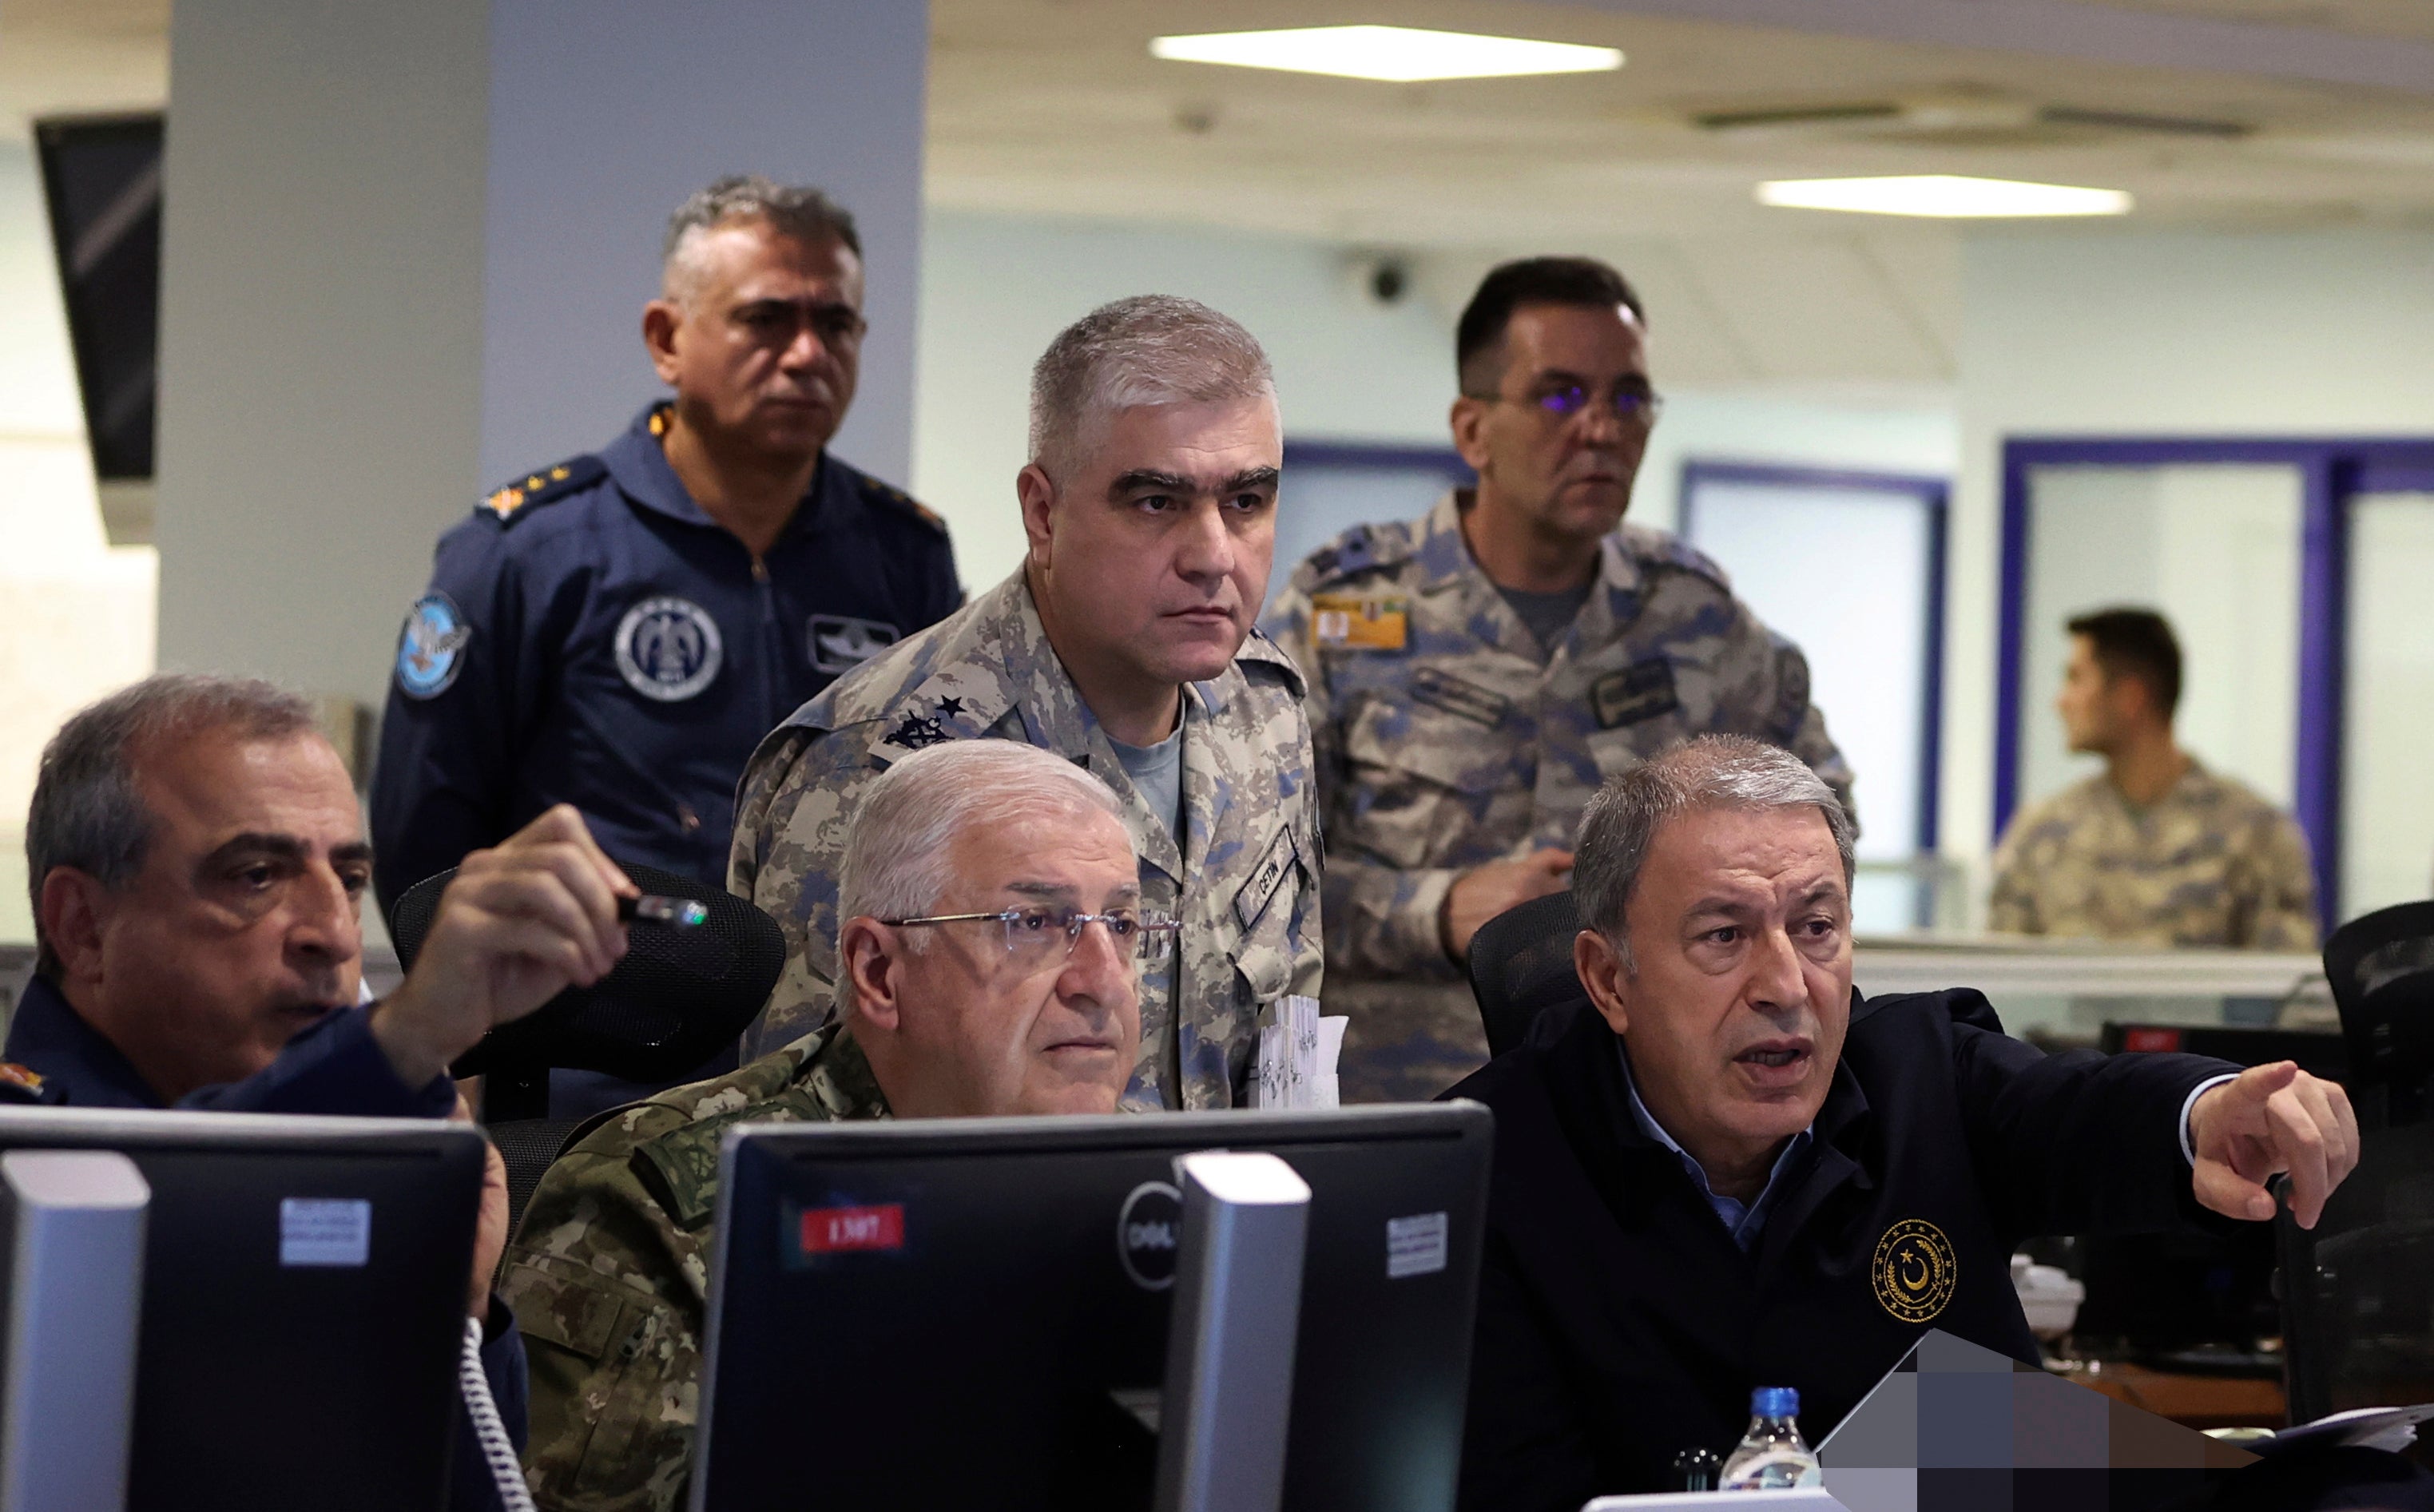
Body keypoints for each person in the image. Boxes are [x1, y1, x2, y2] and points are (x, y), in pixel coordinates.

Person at [1451, 736, 2357, 1510]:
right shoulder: (1490, 1166)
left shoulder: (1917, 1071)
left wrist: (2206, 1114)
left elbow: (2078, 1110)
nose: (1784, 985)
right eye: (1722, 936)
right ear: (1608, 979)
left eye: (1816, 928)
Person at [12, 673, 645, 1512]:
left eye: (347, 880)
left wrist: (455, 1309)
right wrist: (411, 1034)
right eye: (255, 877)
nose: (335, 935)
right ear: (83, 927)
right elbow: (149, 1216)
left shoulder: (368, 1159)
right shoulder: (27, 1161)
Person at [503, 740, 1153, 1510]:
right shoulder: (670, 1210)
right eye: (1034, 923)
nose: (1104, 982)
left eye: (1122, 924)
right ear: (879, 971)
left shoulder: (1162, 1185)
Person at [1264, 257, 1853, 1103]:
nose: (1600, 429)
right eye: (1557, 396)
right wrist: (1440, 908)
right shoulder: (1346, 609)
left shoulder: (1695, 619)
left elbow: (1823, 824)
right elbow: (1259, 877)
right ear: (1472, 430)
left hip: (1635, 1116)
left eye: (1627, 399)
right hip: (1412, 1095)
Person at [730, 295, 1321, 1109]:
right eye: (1157, 503)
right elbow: (799, 1132)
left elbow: (1288, 1043)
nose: (1213, 555)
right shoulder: (872, 761)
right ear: (1042, 513)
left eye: (1245, 503)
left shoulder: (1269, 709)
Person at [371, 174, 961, 914]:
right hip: (595, 1014)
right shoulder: (529, 550)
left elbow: (941, 805)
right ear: (666, 339)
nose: (808, 353)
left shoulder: (904, 555)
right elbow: (422, 847)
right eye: (767, 319)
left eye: (836, 324)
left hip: (828, 1018)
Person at [1991, 607, 2317, 949]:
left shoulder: (2254, 834)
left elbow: (2284, 988)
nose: (2061, 701)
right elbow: (1999, 982)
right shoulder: (2042, 833)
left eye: (2076, 678)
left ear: (2130, 698)